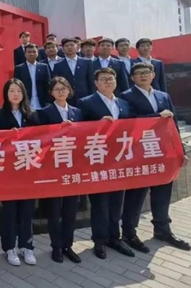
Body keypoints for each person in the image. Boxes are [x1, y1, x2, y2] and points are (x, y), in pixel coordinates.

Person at [119, 62, 191, 252]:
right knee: (136, 196)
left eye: (146, 72)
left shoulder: (163, 95)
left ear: (153, 75)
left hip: (162, 153)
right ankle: (129, 233)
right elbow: (128, 122)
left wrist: (180, 150)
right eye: (138, 73)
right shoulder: (126, 96)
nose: (143, 75)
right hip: (140, 153)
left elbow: (173, 124)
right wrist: (156, 116)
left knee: (162, 193)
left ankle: (162, 229)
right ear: (132, 78)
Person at [77, 68, 135, 260]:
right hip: (98, 161)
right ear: (96, 83)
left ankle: (114, 238)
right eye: (103, 79)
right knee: (100, 204)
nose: (108, 82)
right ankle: (99, 240)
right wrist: (98, 124)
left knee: (117, 202)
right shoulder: (86, 103)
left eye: (111, 78)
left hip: (119, 160)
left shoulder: (124, 104)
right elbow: (79, 131)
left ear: (116, 82)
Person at [0, 78, 40, 267]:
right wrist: (6, 137)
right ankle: (9, 247)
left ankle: (26, 246)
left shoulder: (32, 115)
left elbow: (41, 139)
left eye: (18, 91)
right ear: (6, 93)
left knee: (27, 211)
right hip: (8, 172)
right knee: (10, 212)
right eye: (11, 90)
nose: (15, 94)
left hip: (28, 170)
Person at [38, 77, 83, 264]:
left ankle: (67, 245)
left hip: (72, 167)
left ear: (69, 91)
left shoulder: (77, 112)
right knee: (54, 211)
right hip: (53, 168)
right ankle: (56, 246)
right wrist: (58, 129)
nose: (61, 92)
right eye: (57, 89)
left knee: (71, 210)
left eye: (63, 88)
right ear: (51, 93)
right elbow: (40, 138)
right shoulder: (44, 113)